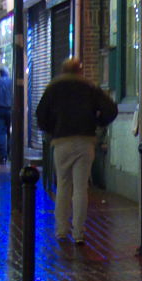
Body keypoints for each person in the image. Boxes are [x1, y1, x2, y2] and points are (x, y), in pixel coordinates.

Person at [34, 58, 117, 245]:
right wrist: (97, 122)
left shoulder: (53, 88)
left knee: (63, 186)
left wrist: (52, 129)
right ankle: (79, 233)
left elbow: (40, 115)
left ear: (63, 71)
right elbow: (111, 109)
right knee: (81, 188)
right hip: (85, 141)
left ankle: (61, 230)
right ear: (80, 70)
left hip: (62, 141)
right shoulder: (89, 87)